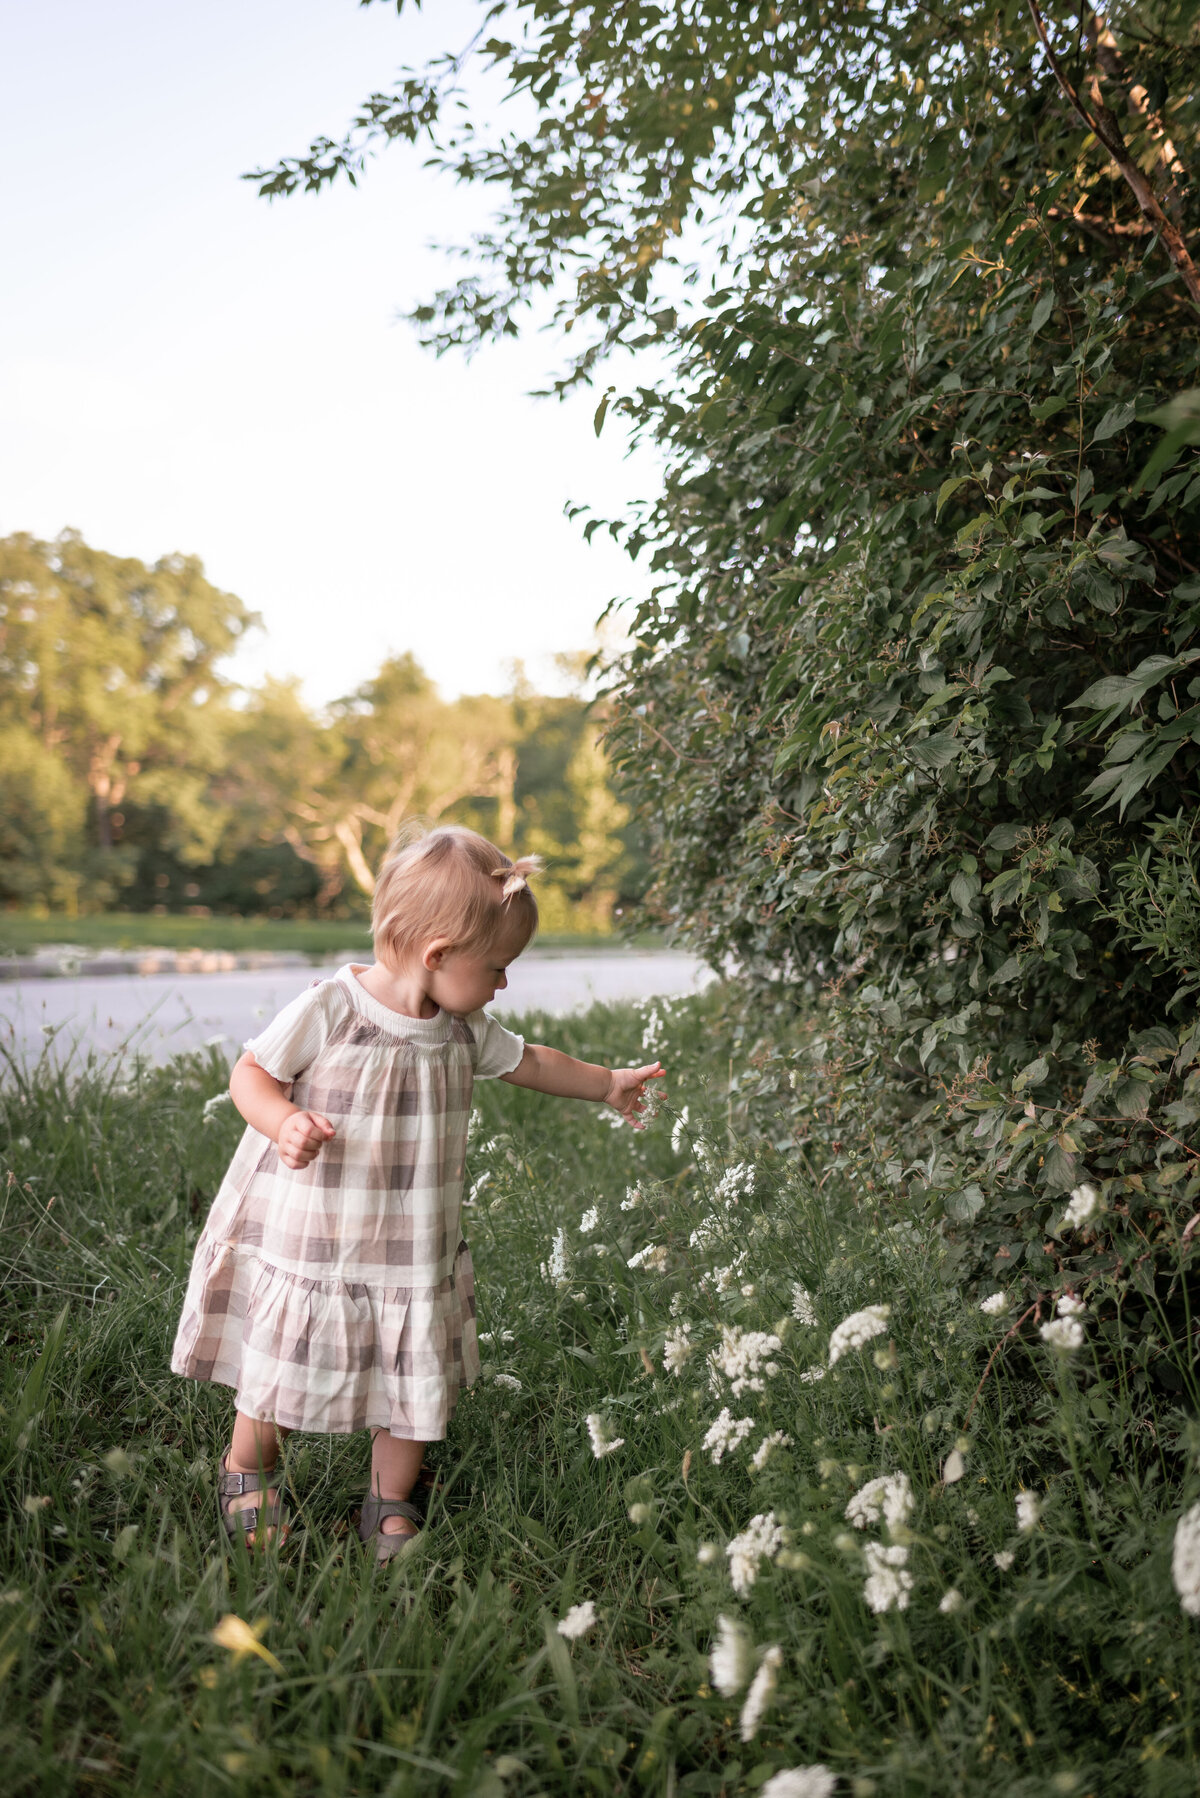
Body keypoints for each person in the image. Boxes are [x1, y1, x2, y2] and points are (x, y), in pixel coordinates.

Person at [171, 824, 664, 1560]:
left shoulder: (462, 1029)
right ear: (437, 954)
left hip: (411, 1244)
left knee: (413, 1373)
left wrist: (605, 1085)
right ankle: (249, 1466)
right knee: (279, 1360)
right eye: (497, 967)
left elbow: (533, 1061)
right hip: (315, 1235)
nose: (503, 984)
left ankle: (390, 1496)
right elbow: (252, 1072)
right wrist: (284, 1121)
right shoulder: (333, 1008)